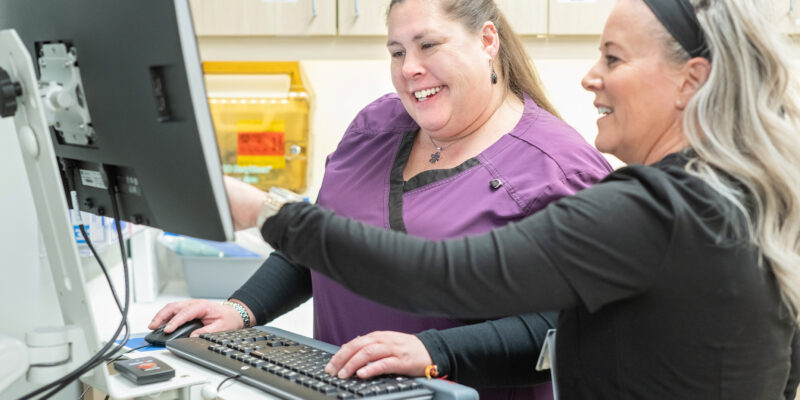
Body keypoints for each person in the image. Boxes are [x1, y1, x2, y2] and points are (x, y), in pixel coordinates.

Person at [226, 0, 800, 398]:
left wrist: (262, 212)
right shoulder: (745, 196)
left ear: (690, 81)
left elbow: (445, 275)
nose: (589, 77)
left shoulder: (653, 209)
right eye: (397, 50)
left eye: (614, 59)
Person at [150, 0, 612, 398]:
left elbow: (570, 331)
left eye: (428, 45)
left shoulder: (556, 168)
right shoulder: (375, 128)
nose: (410, 67)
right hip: (337, 386)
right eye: (397, 51)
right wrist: (240, 308)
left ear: (487, 40)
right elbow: (320, 247)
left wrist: (435, 352)